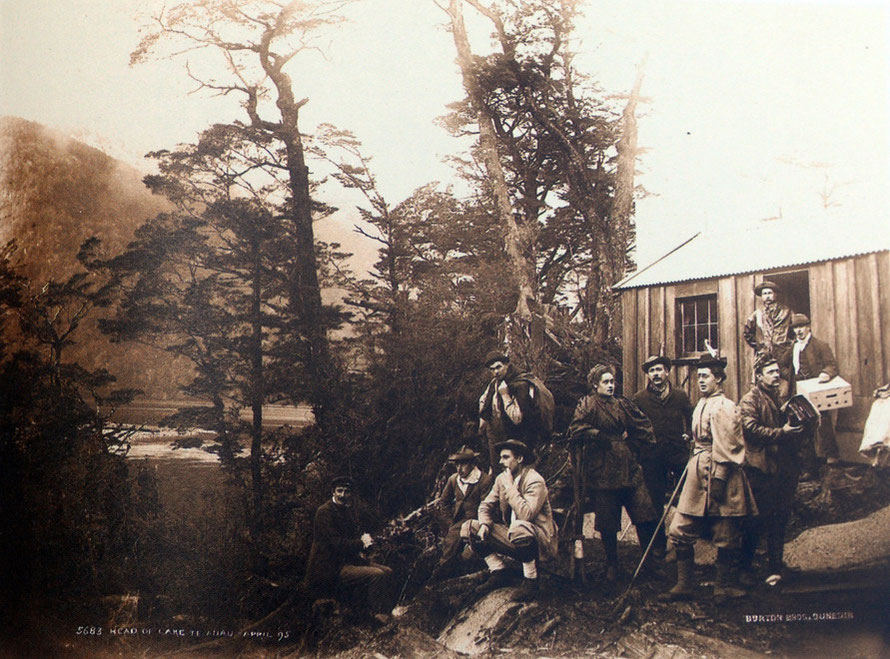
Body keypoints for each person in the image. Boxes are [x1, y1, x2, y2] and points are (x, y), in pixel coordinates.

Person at [661, 355, 758, 601]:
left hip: (722, 473)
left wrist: (721, 479)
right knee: (680, 529)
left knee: (726, 532)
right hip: (698, 469)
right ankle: (685, 584)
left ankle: (722, 587)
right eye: (698, 377)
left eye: (705, 377)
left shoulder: (725, 406)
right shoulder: (701, 404)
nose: (700, 381)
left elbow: (729, 445)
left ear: (719, 379)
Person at [568, 364, 659, 582]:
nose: (611, 386)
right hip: (602, 468)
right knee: (607, 520)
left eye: (612, 382)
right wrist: (594, 433)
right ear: (595, 385)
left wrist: (635, 445)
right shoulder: (587, 404)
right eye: (606, 382)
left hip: (628, 465)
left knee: (644, 512)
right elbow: (575, 428)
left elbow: (644, 426)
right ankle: (612, 564)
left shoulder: (622, 404)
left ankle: (649, 562)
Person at [739, 355, 807, 588]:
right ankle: (744, 569)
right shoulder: (750, 399)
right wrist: (782, 432)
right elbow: (750, 429)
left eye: (777, 371)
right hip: (759, 468)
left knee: (780, 519)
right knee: (755, 521)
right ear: (759, 376)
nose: (776, 375)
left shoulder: (777, 396)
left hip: (780, 468)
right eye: (771, 372)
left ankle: (775, 568)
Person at [462, 439, 558, 601]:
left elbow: (526, 515)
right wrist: (485, 524)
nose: (500, 462)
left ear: (519, 459)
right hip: (515, 535)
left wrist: (510, 487)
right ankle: (499, 571)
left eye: (506, 457)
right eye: (500, 458)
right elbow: (485, 506)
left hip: (540, 540)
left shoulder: (535, 480)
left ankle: (531, 580)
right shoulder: (502, 479)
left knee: (518, 527)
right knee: (469, 527)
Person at [303, 476, 395, 621]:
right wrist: (360, 543)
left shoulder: (346, 511)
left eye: (346, 492)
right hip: (330, 568)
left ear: (350, 494)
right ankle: (378, 617)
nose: (342, 495)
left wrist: (366, 544)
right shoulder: (324, 512)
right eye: (339, 491)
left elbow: (352, 539)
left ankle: (387, 613)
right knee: (377, 574)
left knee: (388, 571)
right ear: (333, 492)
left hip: (347, 561)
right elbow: (336, 544)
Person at [632, 355, 694, 559]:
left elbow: (691, 418)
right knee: (654, 500)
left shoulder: (680, 396)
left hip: (678, 453)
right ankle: (658, 543)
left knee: (688, 495)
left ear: (667, 372)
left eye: (659, 370)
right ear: (648, 375)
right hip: (653, 457)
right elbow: (633, 428)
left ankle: (687, 540)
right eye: (652, 371)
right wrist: (641, 449)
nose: (656, 374)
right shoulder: (639, 399)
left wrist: (689, 435)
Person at [430, 446, 493, 581]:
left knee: (469, 554)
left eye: (463, 464)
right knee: (450, 545)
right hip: (459, 522)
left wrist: (482, 524)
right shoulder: (454, 479)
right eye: (457, 464)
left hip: (477, 521)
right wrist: (449, 523)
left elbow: (487, 506)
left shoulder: (484, 480)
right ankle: (440, 579)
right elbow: (444, 502)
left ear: (472, 464)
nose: (459, 468)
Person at [478, 350, 546, 470]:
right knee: (496, 467)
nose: (496, 372)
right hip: (496, 432)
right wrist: (482, 421)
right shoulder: (495, 383)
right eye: (492, 369)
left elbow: (517, 418)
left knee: (514, 468)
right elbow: (483, 399)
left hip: (516, 434)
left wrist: (505, 395)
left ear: (507, 364)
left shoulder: (520, 385)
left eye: (498, 367)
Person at [791, 313, 841, 465]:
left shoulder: (820, 345)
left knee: (823, 424)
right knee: (803, 426)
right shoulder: (793, 347)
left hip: (816, 390)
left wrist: (826, 374)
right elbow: (787, 367)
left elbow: (832, 365)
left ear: (808, 327)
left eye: (801, 327)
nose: (799, 331)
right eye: (795, 328)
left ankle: (832, 458)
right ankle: (809, 465)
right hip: (800, 390)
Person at [743, 280, 794, 389]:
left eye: (770, 293)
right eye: (764, 294)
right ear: (761, 297)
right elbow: (747, 332)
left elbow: (795, 331)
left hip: (782, 356)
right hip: (764, 356)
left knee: (784, 387)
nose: (767, 297)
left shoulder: (787, 312)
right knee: (763, 386)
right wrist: (760, 345)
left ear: (775, 294)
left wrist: (788, 347)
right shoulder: (757, 315)